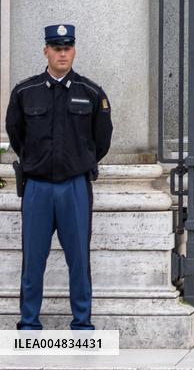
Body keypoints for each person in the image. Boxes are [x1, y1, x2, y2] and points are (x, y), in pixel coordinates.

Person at [5, 24, 113, 331]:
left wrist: (80, 162)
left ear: (74, 51)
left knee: (79, 259)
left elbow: (102, 139)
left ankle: (81, 323)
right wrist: (35, 160)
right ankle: (28, 323)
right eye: (56, 48)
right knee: (33, 260)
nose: (62, 53)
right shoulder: (26, 92)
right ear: (46, 51)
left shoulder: (91, 92)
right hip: (37, 187)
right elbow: (16, 134)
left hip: (75, 187)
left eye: (67, 48)